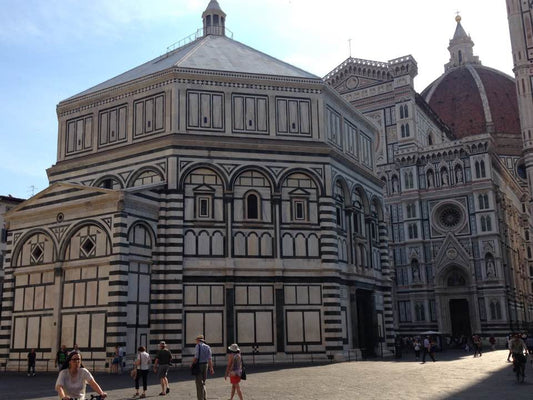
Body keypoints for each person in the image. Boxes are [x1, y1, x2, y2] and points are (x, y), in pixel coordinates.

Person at [191, 334, 215, 400]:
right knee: (203, 382)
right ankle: (204, 397)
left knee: (199, 383)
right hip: (206, 365)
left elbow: (196, 357)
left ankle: (200, 398)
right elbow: (210, 358)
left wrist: (192, 364)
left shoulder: (197, 346)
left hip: (199, 365)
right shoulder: (207, 347)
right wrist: (211, 368)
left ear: (198, 340)